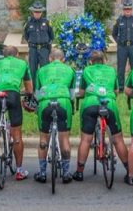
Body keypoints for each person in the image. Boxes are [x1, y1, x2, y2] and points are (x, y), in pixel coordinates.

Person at [72, 50, 129, 182]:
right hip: (109, 103)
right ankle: (130, 171)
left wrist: (82, 95)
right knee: (118, 139)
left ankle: (79, 172)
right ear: (104, 60)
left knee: (86, 139)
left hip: (90, 103)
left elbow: (81, 92)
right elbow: (116, 91)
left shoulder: (87, 70)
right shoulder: (111, 71)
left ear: (91, 61)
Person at [0, 46, 34, 181]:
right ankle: (19, 170)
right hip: (13, 95)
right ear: (17, 54)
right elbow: (29, 89)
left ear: (3, 55)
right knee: (17, 133)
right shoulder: (22, 63)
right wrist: (26, 96)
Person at [33, 49, 75, 184]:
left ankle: (43, 173)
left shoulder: (41, 70)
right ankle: (66, 173)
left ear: (50, 59)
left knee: (43, 138)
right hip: (63, 101)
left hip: (45, 101)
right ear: (63, 60)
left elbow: (37, 94)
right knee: (65, 139)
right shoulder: (70, 70)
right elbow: (72, 94)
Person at [113, 0, 133, 92]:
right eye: (126, 9)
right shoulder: (119, 21)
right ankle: (121, 88)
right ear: (123, 10)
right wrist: (118, 42)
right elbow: (114, 33)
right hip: (122, 47)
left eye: (129, 9)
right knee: (121, 68)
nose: (128, 11)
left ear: (132, 10)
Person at [24, 1, 54, 85]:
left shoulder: (47, 22)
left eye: (39, 12)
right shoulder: (28, 23)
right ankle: (33, 88)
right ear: (32, 12)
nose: (37, 13)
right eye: (36, 12)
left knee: (45, 69)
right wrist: (32, 43)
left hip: (44, 49)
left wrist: (48, 48)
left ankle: (44, 86)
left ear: (42, 12)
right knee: (32, 69)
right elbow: (26, 36)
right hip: (33, 49)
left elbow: (52, 36)